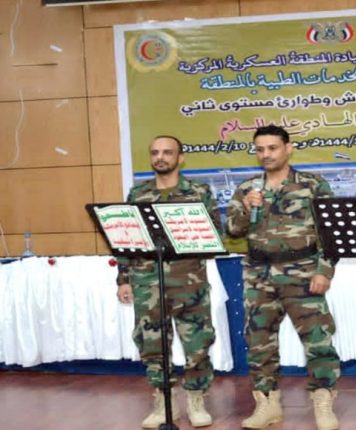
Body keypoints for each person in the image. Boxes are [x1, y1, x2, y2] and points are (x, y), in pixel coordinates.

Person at [225, 125, 340, 430]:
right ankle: (267, 404)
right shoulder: (247, 188)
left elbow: (331, 234)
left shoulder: (312, 185)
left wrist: (324, 271)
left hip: (303, 271)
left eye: (272, 148)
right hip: (258, 274)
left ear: (288, 149)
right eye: (260, 149)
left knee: (317, 339)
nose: (266, 154)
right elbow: (233, 230)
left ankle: (323, 401)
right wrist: (246, 208)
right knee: (259, 341)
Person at [116, 135, 218, 428]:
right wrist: (123, 279)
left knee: (197, 342)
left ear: (180, 158)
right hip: (146, 282)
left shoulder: (199, 192)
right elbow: (125, 239)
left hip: (189, 281)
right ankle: (164, 400)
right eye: (155, 153)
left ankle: (196, 398)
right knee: (151, 343)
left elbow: (215, 236)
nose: (160, 157)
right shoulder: (138, 194)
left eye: (167, 152)